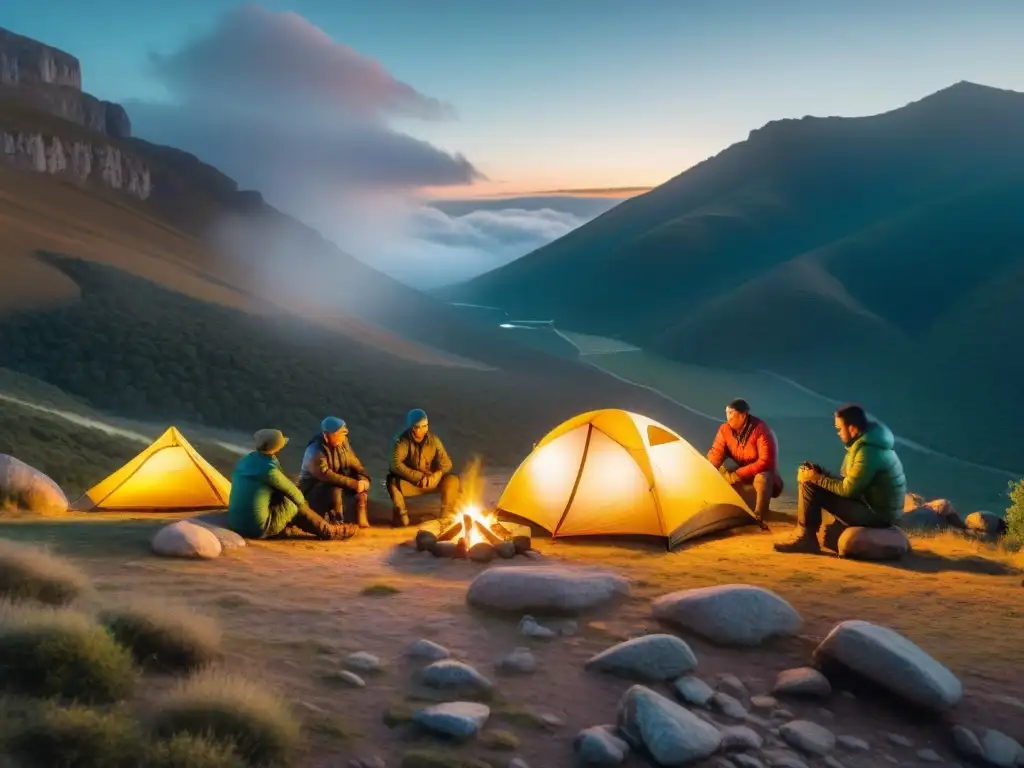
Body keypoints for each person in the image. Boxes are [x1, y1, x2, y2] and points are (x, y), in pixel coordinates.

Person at [774, 403, 907, 553]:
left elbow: (849, 490)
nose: (838, 433)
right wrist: (821, 473)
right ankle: (807, 535)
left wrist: (817, 478)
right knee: (813, 478)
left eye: (839, 428)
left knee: (810, 483)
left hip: (877, 515)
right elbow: (851, 482)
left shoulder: (867, 452)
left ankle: (806, 538)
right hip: (873, 507)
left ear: (851, 428)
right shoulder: (865, 445)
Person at [227, 428, 359, 541]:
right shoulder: (269, 470)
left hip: (236, 523)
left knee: (279, 497)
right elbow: (295, 495)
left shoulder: (245, 460)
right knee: (294, 503)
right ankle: (329, 531)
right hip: (258, 528)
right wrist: (305, 507)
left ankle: (289, 526)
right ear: (276, 446)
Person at [707, 398, 783, 523]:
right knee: (720, 476)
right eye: (727, 412)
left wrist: (738, 474)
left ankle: (760, 515)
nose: (728, 417)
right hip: (744, 478)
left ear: (743, 415)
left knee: (762, 478)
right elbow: (716, 453)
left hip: (765, 478)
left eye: (731, 413)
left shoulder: (760, 429)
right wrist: (708, 470)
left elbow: (765, 461)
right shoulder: (724, 430)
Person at [386, 408, 459, 527]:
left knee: (452, 480)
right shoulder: (401, 441)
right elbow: (395, 465)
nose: (423, 430)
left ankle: (446, 516)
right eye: (418, 427)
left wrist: (437, 475)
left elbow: (447, 463)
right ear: (412, 427)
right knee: (392, 482)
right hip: (411, 483)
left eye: (425, 426)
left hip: (431, 481)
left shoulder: (433, 440)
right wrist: (418, 476)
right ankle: (402, 515)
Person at [297, 416, 372, 528]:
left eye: (344, 434)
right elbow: (326, 474)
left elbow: (355, 464)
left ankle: (360, 516)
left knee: (358, 489)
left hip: (335, 485)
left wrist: (363, 479)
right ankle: (337, 522)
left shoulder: (342, 444)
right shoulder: (315, 450)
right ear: (327, 435)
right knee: (335, 489)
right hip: (312, 491)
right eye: (339, 434)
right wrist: (353, 484)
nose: (343, 437)